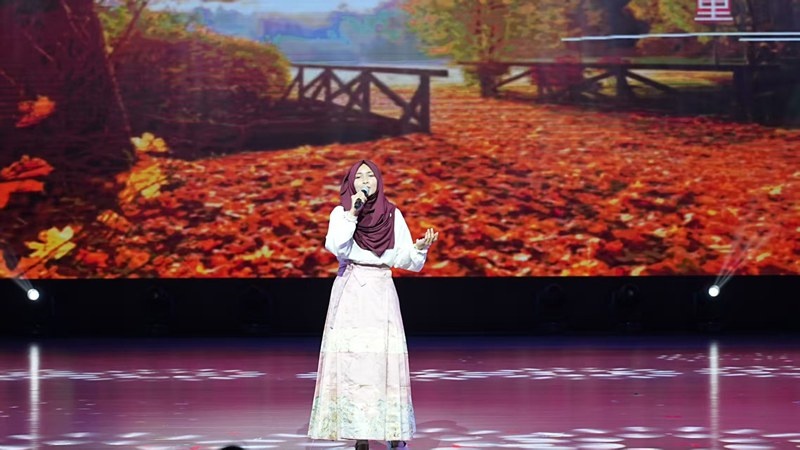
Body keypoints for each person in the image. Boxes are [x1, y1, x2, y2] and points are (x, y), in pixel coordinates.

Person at [307, 160, 438, 450]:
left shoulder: (393, 214)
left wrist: (418, 249)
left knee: (383, 359)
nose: (366, 180)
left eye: (371, 175)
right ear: (351, 183)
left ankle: (392, 430)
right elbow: (337, 246)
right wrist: (354, 212)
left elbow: (404, 259)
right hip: (351, 289)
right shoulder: (341, 213)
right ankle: (359, 434)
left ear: (379, 180)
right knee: (354, 361)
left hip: (380, 290)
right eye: (360, 176)